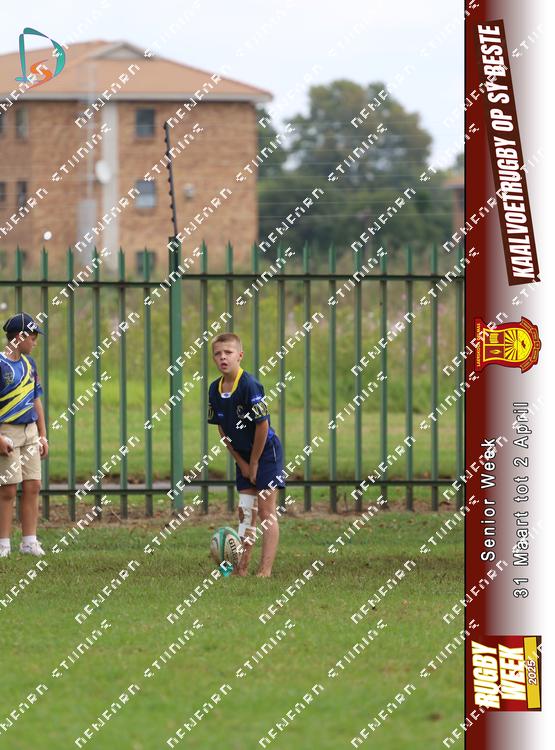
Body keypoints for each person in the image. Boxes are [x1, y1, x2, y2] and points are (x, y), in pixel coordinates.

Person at [208, 333, 284, 577]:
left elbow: (262, 425)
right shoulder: (214, 389)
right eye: (218, 354)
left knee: (265, 512)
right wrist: (241, 462)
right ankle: (240, 567)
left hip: (266, 453)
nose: (223, 357)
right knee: (245, 512)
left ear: (239, 355)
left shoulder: (250, 385)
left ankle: (265, 570)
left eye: (228, 352)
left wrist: (254, 462)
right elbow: (222, 429)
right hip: (243, 456)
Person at [0, 313, 48, 558]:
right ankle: (3, 543)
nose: (35, 342)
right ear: (19, 337)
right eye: (33, 337)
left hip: (30, 432)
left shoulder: (30, 364)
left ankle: (29, 542)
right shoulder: (1, 365)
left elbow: (35, 398)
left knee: (33, 485)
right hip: (6, 432)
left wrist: (42, 434)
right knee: (8, 489)